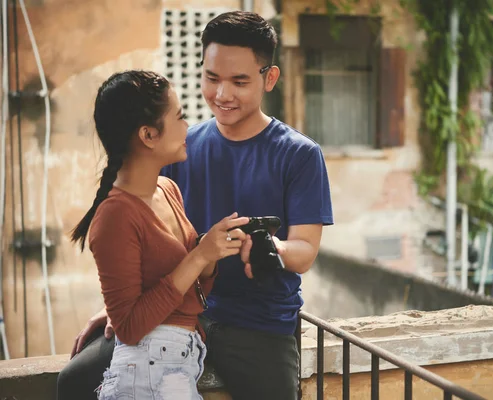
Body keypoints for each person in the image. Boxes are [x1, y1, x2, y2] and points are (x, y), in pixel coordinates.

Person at [57, 11, 333, 400]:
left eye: (239, 81)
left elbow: (305, 251)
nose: (222, 94)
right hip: (176, 314)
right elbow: (151, 244)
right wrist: (121, 309)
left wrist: (270, 247)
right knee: (73, 382)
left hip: (257, 324)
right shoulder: (179, 149)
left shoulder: (299, 154)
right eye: (212, 78)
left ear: (269, 78)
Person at [61, 70, 249, 399]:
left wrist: (216, 249)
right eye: (179, 117)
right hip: (145, 374)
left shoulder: (168, 189)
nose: (187, 126)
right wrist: (200, 255)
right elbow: (130, 328)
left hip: (179, 362)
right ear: (149, 134)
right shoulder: (115, 216)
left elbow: (193, 289)